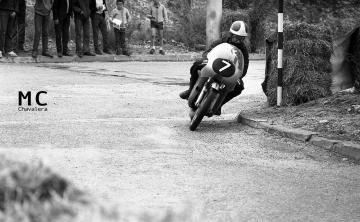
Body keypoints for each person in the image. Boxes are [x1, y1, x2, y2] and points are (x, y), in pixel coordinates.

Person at [179, 21, 250, 114]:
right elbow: (208, 51)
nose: (238, 40)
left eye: (241, 38)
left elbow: (244, 69)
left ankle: (219, 104)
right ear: (231, 34)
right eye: (236, 37)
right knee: (196, 65)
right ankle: (190, 90)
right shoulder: (222, 40)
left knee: (239, 87)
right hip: (214, 65)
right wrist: (206, 58)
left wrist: (239, 76)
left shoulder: (243, 50)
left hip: (229, 73)